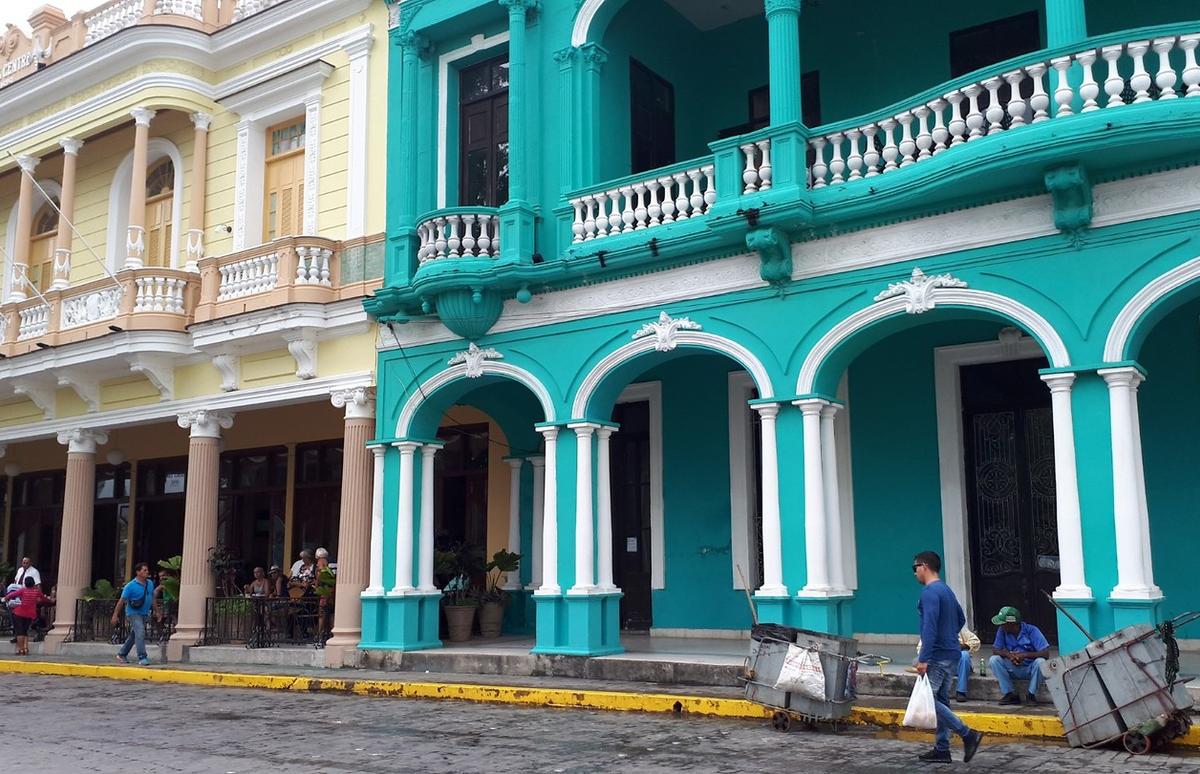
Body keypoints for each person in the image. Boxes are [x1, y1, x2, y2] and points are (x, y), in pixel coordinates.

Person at [913, 550, 983, 764]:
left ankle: (967, 734)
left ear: (924, 566)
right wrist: (949, 635)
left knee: (927, 700)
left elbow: (929, 626)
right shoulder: (946, 590)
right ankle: (942, 748)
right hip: (952, 653)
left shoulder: (929, 592)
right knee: (942, 700)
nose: (914, 572)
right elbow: (960, 619)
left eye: (915, 568)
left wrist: (923, 658)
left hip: (937, 655)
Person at [987, 606, 1051, 705]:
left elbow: (1045, 653)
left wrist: (1024, 655)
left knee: (1041, 662)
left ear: (1012, 624)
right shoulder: (1002, 630)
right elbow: (995, 649)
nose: (1001, 626)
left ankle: (1031, 694)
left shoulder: (1032, 630)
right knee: (994, 660)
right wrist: (1009, 655)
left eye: (1004, 624)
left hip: (1030, 668)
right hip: (1012, 667)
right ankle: (1010, 693)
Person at [913, 626, 980, 703]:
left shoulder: (958, 628)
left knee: (965, 655)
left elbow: (975, 641)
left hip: (957, 666)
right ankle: (934, 696)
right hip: (939, 665)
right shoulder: (931, 630)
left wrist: (961, 646)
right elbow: (921, 650)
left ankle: (961, 692)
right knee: (919, 660)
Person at [112, 562, 155, 666]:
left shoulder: (150, 583)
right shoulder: (130, 586)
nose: (147, 572)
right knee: (140, 632)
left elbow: (152, 598)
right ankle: (142, 657)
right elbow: (121, 601)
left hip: (144, 612)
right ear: (138, 572)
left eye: (147, 570)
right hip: (133, 613)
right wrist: (115, 614)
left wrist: (157, 611)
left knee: (134, 635)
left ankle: (122, 654)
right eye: (144, 570)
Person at [3, 576, 54, 655]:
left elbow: (11, 595)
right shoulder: (36, 591)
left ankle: (21, 649)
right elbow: (44, 599)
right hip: (30, 614)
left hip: (19, 613)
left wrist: (5, 599)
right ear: (33, 583)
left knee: (20, 631)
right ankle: (26, 648)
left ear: (25, 583)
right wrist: (51, 600)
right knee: (25, 630)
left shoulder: (23, 590)